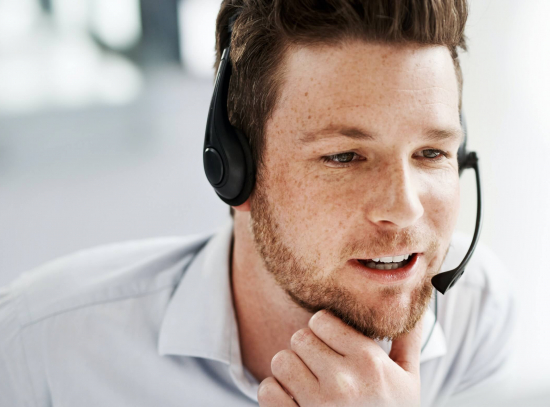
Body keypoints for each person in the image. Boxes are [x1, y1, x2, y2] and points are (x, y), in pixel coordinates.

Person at [0, 1, 515, 406]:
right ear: (233, 166)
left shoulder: (478, 319)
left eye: (431, 153)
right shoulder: (38, 350)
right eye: (344, 156)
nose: (404, 209)